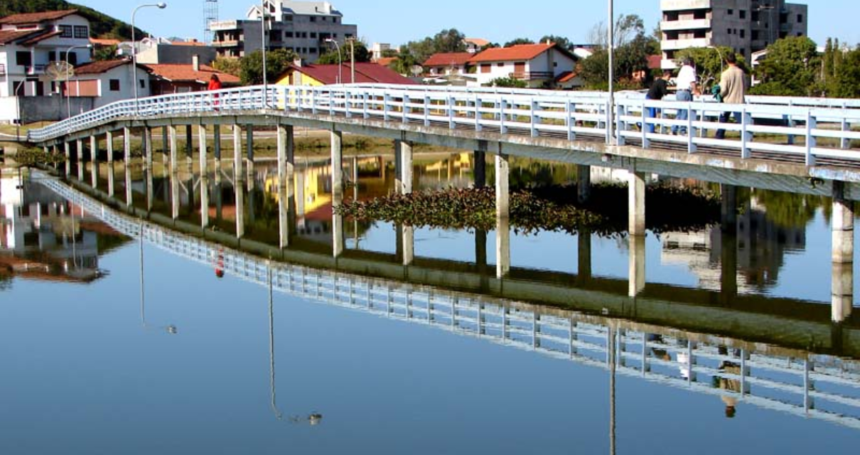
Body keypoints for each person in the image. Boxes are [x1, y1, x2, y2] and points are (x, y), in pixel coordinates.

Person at [715, 52, 748, 140]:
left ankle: (719, 136)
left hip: (728, 101)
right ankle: (745, 137)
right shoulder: (741, 72)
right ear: (735, 60)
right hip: (739, 100)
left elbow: (724, 89)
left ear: (726, 61)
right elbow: (745, 86)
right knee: (742, 122)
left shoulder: (725, 74)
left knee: (723, 119)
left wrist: (719, 95)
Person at [672, 57, 698, 135]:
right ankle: (682, 130)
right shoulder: (690, 69)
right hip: (686, 92)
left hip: (679, 92)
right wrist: (695, 91)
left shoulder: (682, 69)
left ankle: (674, 128)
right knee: (685, 112)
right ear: (690, 63)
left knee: (679, 112)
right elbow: (692, 81)